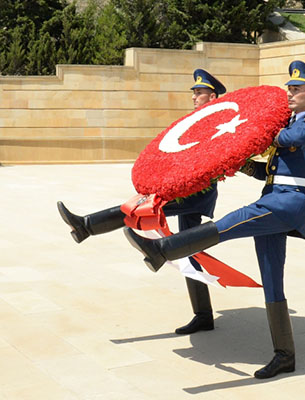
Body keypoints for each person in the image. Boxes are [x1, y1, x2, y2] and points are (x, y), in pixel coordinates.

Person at [123, 60, 305, 379]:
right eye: (289, 88)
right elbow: (268, 172)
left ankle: (163, 249)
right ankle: (285, 354)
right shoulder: (288, 127)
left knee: (232, 222)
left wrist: (252, 129)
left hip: (290, 203)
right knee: (272, 277)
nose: (290, 93)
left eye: (297, 89)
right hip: (273, 196)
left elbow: (294, 137)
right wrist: (243, 164)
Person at [58, 69, 226, 333]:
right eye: (193, 93)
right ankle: (203, 315)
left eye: (199, 93)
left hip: (197, 194)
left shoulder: (218, 124)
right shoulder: (194, 122)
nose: (194, 97)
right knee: (188, 250)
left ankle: (86, 226)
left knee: (138, 209)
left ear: (212, 97)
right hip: (183, 190)